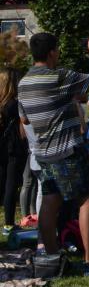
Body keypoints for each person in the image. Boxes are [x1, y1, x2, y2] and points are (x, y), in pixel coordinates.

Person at [18, 33, 89, 274]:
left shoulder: (23, 83)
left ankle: (53, 258)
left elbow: (24, 117)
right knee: (87, 198)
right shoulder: (59, 76)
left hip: (43, 153)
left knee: (49, 201)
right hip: (67, 150)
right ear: (52, 53)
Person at [0, 68, 27, 236]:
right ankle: (9, 223)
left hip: (1, 148)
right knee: (11, 185)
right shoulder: (15, 105)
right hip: (13, 149)